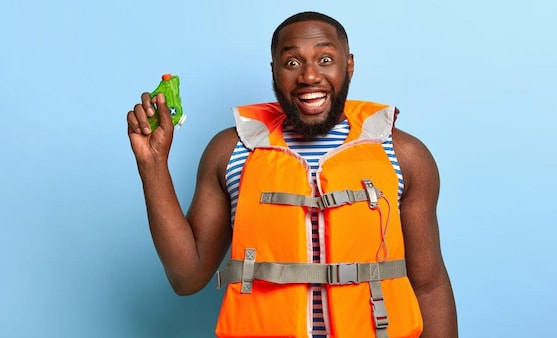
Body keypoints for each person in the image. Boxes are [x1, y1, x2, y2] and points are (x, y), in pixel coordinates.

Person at [127, 11, 457, 338]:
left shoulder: (403, 155)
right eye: (292, 63)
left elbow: (429, 287)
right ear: (274, 71)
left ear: (349, 65)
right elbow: (187, 278)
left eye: (325, 59)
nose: (309, 77)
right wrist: (152, 164)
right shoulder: (232, 151)